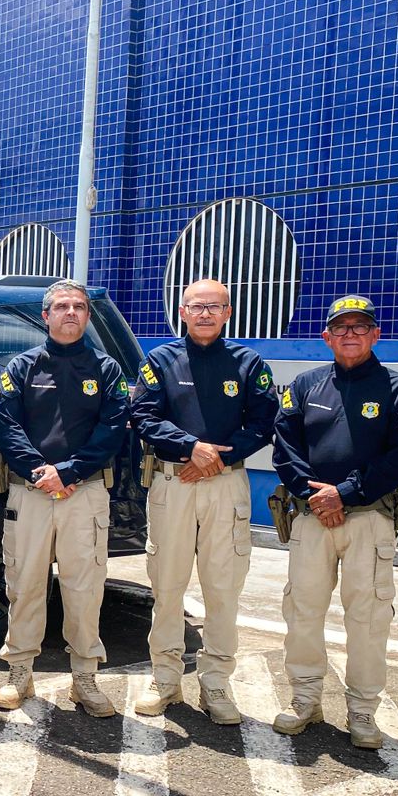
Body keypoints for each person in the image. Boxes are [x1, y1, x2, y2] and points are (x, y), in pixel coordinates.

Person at [270, 295, 398, 748]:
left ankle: (362, 711)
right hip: (311, 519)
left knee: (368, 618)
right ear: (327, 337)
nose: (351, 334)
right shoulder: (304, 385)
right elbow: (285, 447)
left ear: (376, 335)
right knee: (302, 612)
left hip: (369, 519)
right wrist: (314, 493)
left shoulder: (396, 389)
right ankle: (305, 700)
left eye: (361, 327)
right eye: (341, 328)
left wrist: (347, 492)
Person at [130, 279, 279, 723]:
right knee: (167, 587)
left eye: (215, 307)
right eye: (197, 306)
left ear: (229, 312)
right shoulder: (160, 360)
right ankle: (165, 680)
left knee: (223, 590)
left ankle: (216, 685)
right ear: (182, 311)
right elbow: (143, 415)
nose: (205, 314)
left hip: (224, 487)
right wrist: (189, 446)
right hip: (173, 484)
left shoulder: (249, 363)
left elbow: (264, 421)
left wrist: (213, 457)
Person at [0, 281, 129, 716]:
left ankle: (84, 679)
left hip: (83, 494)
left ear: (87, 316)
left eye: (79, 307)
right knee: (24, 583)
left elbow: (113, 429)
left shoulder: (106, 370)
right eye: (62, 307)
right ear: (45, 316)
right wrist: (42, 471)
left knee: (84, 589)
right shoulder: (22, 367)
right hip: (29, 493)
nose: (71, 312)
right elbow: (6, 424)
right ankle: (20, 674)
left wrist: (68, 472)